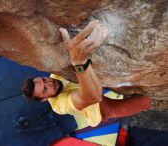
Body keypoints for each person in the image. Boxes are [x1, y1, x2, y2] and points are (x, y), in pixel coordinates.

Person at [22, 20, 152, 128]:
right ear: (45, 99)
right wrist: (79, 63)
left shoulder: (55, 77)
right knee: (147, 101)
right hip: (101, 110)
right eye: (45, 89)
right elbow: (93, 97)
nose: (49, 82)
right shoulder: (59, 106)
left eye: (44, 80)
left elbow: (69, 55)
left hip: (94, 88)